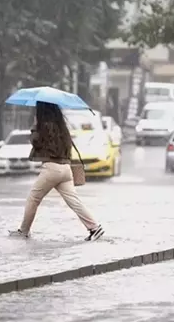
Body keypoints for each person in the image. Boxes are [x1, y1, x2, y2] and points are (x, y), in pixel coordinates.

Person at [10, 101, 104, 241]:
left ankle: (24, 231)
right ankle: (94, 227)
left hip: (52, 169)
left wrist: (36, 126)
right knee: (74, 201)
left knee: (33, 198)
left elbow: (36, 142)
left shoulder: (44, 126)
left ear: (42, 111)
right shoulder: (62, 127)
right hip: (66, 169)